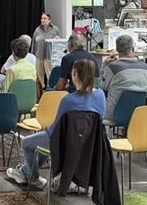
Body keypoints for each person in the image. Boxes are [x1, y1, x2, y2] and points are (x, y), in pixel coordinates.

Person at [6, 58, 105, 189]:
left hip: (63, 142)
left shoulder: (68, 100)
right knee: (41, 145)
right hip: (89, 142)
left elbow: (54, 131)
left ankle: (32, 177)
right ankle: (25, 171)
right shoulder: (100, 95)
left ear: (73, 73)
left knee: (27, 143)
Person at [101, 35, 147, 125]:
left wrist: (104, 65)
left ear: (117, 49)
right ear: (133, 48)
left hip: (112, 115)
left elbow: (102, 87)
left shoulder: (112, 67)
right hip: (137, 113)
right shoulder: (145, 67)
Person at [31, 13, 61, 89]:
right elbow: (34, 43)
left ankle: (51, 88)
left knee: (50, 73)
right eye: (42, 18)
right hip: (39, 55)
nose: (42, 20)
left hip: (49, 54)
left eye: (44, 18)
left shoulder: (55, 29)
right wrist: (33, 54)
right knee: (39, 74)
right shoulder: (37, 30)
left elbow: (59, 43)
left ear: (49, 20)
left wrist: (58, 39)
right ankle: (40, 89)